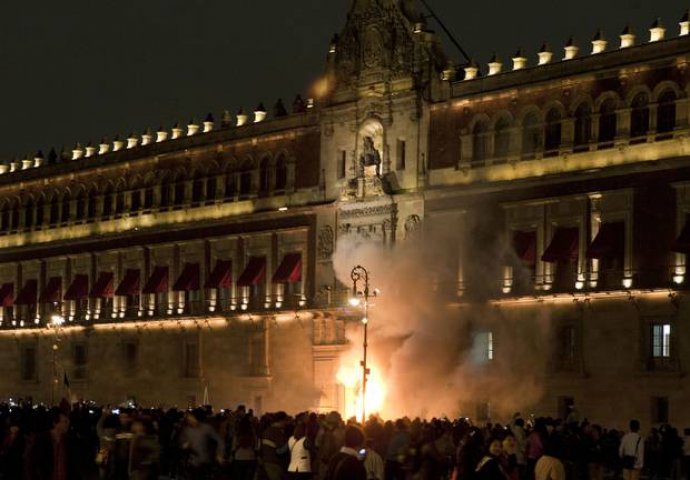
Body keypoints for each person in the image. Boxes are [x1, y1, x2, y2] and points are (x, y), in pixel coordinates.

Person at [25, 408, 72, 480]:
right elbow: (32, 464)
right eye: (65, 422)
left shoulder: (67, 441)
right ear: (55, 423)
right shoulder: (42, 440)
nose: (68, 424)